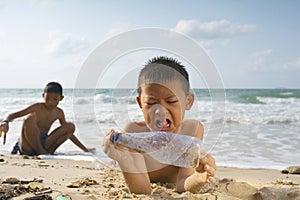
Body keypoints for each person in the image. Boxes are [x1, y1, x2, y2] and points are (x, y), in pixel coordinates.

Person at [103, 56, 216, 194]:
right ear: (140, 103)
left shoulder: (192, 130)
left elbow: (182, 185)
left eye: (171, 101)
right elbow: (143, 191)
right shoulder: (133, 133)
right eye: (151, 103)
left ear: (188, 101)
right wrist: (122, 159)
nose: (160, 111)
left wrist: (199, 178)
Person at [0, 82, 91, 156]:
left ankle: (46, 152)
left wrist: (85, 149)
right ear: (43, 95)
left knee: (70, 126)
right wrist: (6, 121)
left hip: (45, 143)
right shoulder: (37, 107)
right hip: (27, 144)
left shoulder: (59, 112)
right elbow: (12, 115)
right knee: (29, 118)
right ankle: (42, 152)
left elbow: (68, 133)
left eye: (55, 99)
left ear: (61, 98)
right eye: (47, 98)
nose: (50, 102)